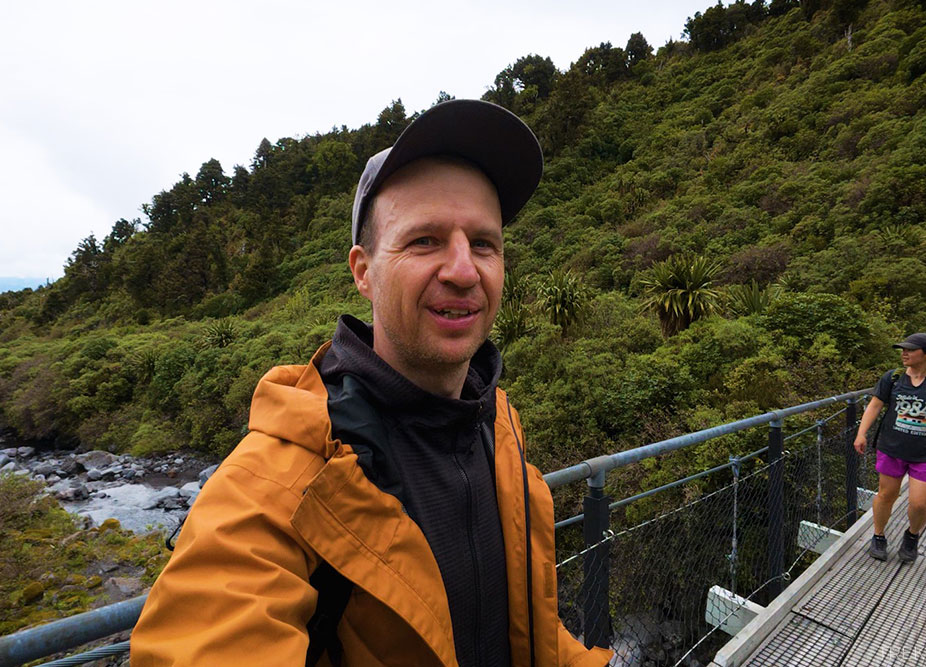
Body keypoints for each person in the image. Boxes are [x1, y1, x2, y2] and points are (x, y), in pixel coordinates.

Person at [130, 99, 612, 666]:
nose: (464, 271)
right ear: (363, 271)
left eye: (484, 243)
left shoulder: (497, 425)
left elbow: (529, 634)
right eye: (425, 240)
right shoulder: (285, 477)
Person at [853, 332, 926, 563]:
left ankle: (912, 535)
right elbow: (875, 406)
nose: (904, 353)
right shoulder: (893, 378)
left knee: (920, 503)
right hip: (892, 447)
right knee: (886, 495)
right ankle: (878, 536)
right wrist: (861, 433)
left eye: (911, 350)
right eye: (903, 349)